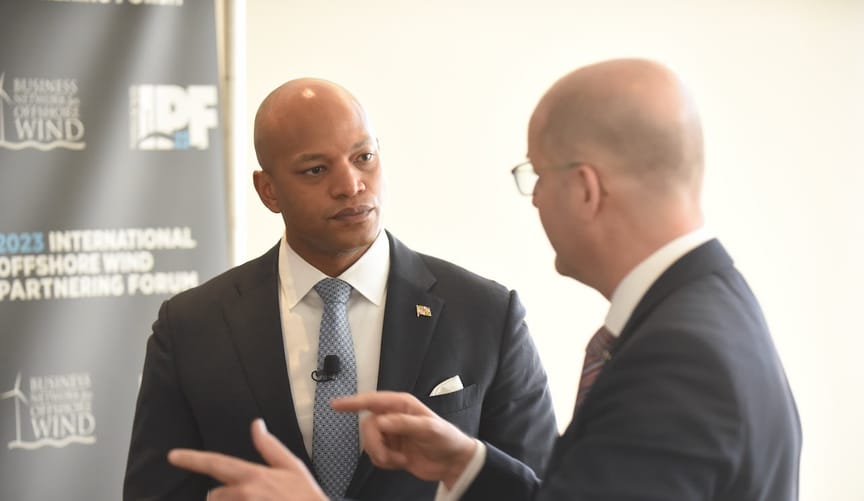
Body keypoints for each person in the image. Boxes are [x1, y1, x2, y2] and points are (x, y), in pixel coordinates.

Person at [167, 58, 802, 501]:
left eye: (536, 177)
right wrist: (467, 465)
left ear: (585, 188)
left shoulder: (675, 359)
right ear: (268, 189)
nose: (533, 201)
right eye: (315, 168)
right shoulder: (708, 311)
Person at [123, 78, 557, 500]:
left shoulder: (486, 315)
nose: (351, 185)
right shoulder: (191, 327)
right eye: (316, 169)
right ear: (268, 190)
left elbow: (543, 489)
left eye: (364, 157)